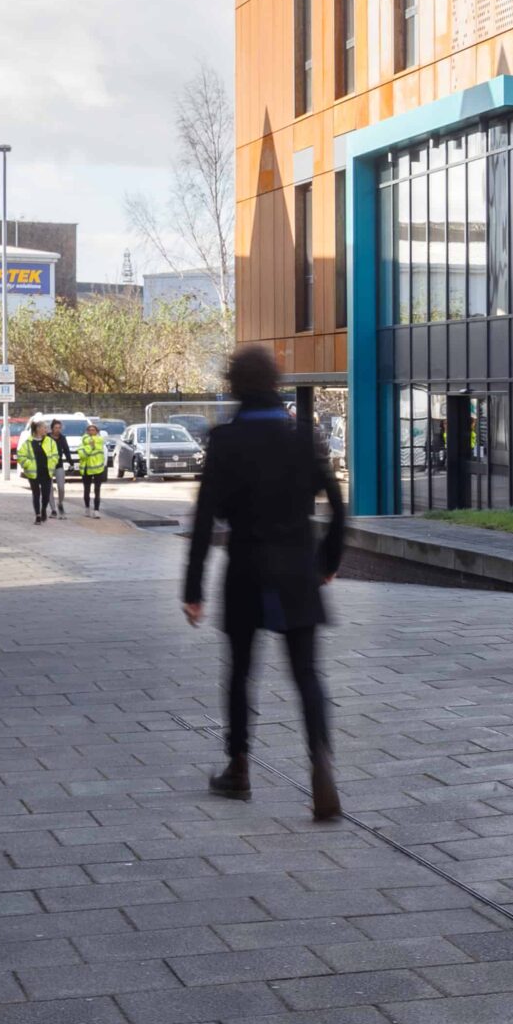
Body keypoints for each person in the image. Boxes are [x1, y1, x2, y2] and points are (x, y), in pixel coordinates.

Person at [184, 347, 349, 820]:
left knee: (240, 672)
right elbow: (338, 507)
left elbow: (203, 521)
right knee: (307, 674)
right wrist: (328, 560)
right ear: (275, 383)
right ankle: (320, 759)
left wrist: (192, 590)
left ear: (235, 385)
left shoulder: (225, 442)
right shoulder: (302, 438)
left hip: (247, 571)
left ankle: (238, 767)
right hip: (298, 571)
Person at [14, 416, 60, 524]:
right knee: (36, 494)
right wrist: (29, 465)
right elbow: (21, 456)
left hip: (46, 472)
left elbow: (55, 455)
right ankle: (38, 516)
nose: (46, 430)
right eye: (44, 428)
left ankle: (43, 509)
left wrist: (52, 464)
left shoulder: (50, 441)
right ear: (38, 429)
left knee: (45, 494)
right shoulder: (28, 442)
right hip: (33, 473)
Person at [75, 420, 109, 515]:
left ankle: (96, 510)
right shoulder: (82, 443)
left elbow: (102, 455)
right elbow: (82, 455)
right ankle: (87, 508)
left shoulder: (100, 442)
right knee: (87, 490)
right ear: (87, 432)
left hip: (98, 469)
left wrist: (91, 446)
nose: (91, 432)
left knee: (97, 490)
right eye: (89, 430)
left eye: (93, 430)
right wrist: (90, 447)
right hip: (86, 469)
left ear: (97, 432)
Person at [47, 419, 71, 517]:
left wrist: (71, 462)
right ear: (52, 428)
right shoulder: (46, 437)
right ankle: (53, 510)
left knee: (61, 487)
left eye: (59, 428)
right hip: (47, 466)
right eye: (56, 428)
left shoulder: (62, 438)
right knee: (49, 489)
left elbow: (66, 450)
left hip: (58, 465)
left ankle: (60, 503)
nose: (57, 430)